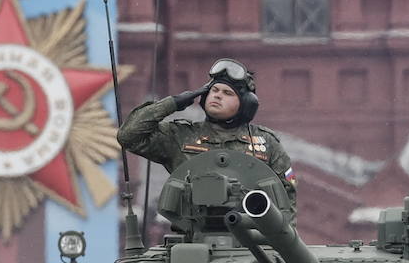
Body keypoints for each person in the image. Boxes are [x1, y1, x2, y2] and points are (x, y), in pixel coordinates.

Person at [117, 58, 297, 223]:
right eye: (214, 90)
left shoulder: (266, 143)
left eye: (227, 93)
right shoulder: (181, 136)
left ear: (246, 104)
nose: (217, 96)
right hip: (192, 237)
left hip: (251, 240)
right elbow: (129, 136)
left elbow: (287, 199)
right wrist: (173, 103)